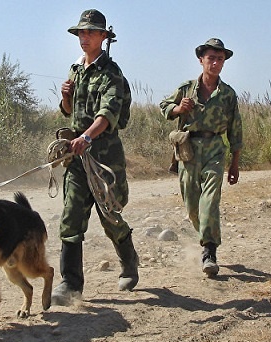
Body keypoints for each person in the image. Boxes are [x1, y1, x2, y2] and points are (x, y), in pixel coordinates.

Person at [52, 9, 139, 304]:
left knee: (110, 216)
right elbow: (69, 111)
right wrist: (65, 96)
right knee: (71, 218)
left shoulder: (112, 75)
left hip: (104, 158)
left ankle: (129, 261)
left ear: (104, 36)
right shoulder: (75, 71)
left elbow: (108, 114)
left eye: (90, 32)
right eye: (81, 32)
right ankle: (70, 284)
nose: (84, 37)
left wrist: (87, 137)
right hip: (77, 159)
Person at [159, 38, 242, 277]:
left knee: (210, 201)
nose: (215, 63)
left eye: (220, 59)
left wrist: (234, 164)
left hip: (215, 148)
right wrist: (178, 109)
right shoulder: (186, 88)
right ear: (201, 60)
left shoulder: (227, 94)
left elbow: (235, 131)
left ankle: (209, 251)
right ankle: (205, 236)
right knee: (193, 206)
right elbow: (164, 106)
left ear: (224, 62)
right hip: (188, 150)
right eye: (211, 58)